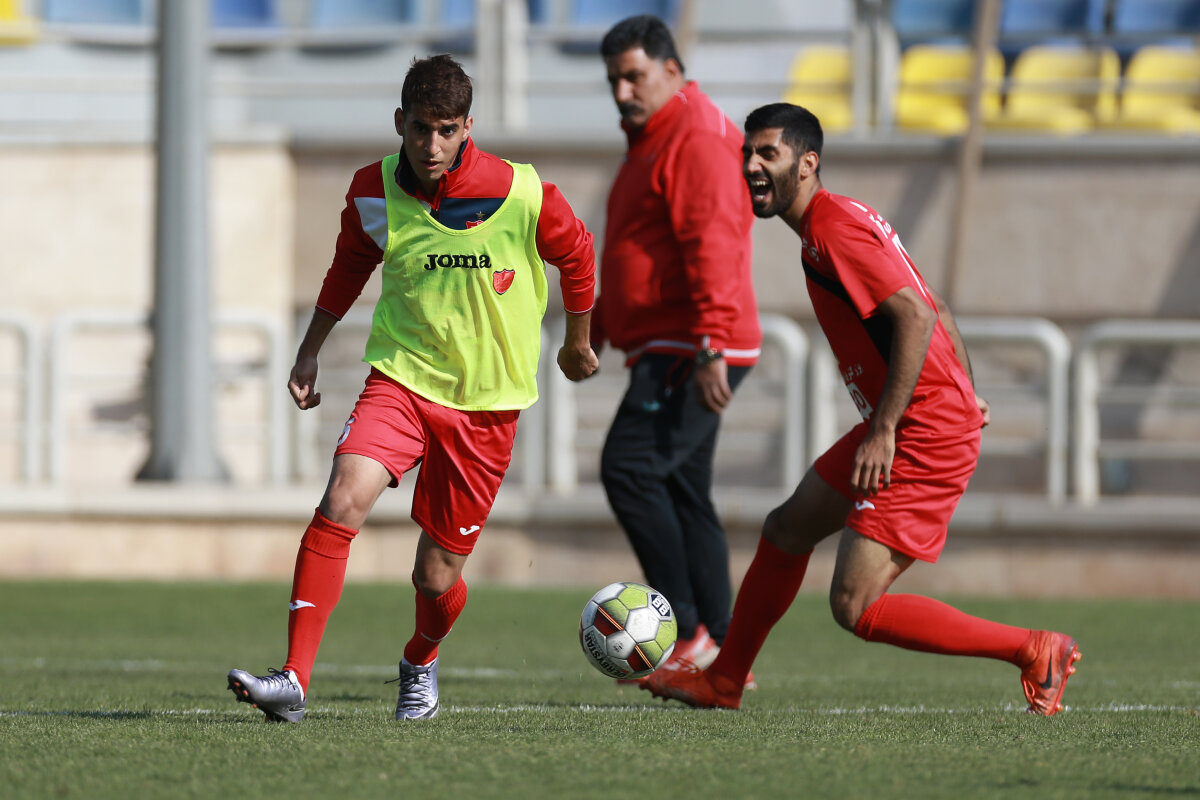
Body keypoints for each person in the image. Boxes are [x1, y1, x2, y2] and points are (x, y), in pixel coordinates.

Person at [642, 102, 1080, 715]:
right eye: (748, 153)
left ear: (807, 163)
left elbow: (917, 315)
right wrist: (963, 387)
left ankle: (1035, 649)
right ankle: (725, 680)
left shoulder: (832, 229)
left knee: (855, 604)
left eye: (768, 153)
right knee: (786, 530)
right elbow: (934, 304)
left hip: (919, 429)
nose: (752, 166)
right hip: (914, 417)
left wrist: (888, 427)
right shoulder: (836, 220)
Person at [227, 54, 599, 723]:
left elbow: (577, 255)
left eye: (447, 130)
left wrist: (577, 341)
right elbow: (349, 266)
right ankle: (293, 679)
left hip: (486, 406)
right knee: (342, 498)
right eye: (421, 128)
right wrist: (309, 350)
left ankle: (420, 660)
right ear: (400, 121)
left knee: (435, 577)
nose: (432, 145)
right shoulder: (372, 190)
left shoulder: (522, 191)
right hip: (400, 380)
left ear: (467, 128)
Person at [590, 15, 762, 682]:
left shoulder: (695, 137)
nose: (622, 92)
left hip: (690, 344)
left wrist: (711, 342)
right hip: (675, 341)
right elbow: (640, 244)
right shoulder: (655, 135)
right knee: (685, 491)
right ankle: (724, 649)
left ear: (670, 69)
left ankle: (686, 630)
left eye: (633, 77)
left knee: (629, 469)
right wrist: (602, 320)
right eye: (613, 80)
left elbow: (712, 242)